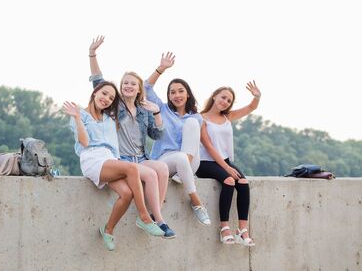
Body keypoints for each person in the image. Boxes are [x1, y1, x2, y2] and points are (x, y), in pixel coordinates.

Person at [87, 36, 175, 238]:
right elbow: (98, 81)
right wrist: (92, 53)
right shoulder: (114, 105)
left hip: (141, 157)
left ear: (138, 88)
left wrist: (157, 113)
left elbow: (157, 135)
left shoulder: (144, 109)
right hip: (122, 159)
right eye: (125, 83)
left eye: (132, 84)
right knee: (152, 175)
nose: (128, 86)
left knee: (161, 168)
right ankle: (158, 221)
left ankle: (152, 215)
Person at [63, 81, 164, 251]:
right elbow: (85, 142)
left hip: (110, 160)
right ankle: (145, 217)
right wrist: (78, 118)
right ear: (95, 93)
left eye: (111, 98)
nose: (107, 99)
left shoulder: (110, 118)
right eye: (104, 94)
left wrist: (155, 111)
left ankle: (108, 230)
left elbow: (134, 94)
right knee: (131, 168)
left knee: (127, 193)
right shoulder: (80, 115)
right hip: (93, 159)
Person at [144, 52, 211, 226]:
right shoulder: (162, 109)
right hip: (164, 161)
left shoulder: (196, 118)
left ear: (188, 94)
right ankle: (196, 202)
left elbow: (200, 145)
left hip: (189, 161)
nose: (177, 95)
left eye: (181, 91)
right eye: (172, 92)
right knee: (181, 157)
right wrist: (161, 69)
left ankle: (184, 171)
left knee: (192, 123)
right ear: (169, 96)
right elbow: (145, 88)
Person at [196, 82, 261, 246]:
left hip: (224, 161)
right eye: (223, 97)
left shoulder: (227, 117)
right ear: (214, 96)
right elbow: (208, 146)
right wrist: (226, 168)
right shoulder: (200, 117)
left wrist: (257, 96)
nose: (225, 102)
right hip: (205, 163)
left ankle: (242, 230)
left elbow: (251, 108)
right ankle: (224, 228)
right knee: (229, 180)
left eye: (229, 100)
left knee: (244, 183)